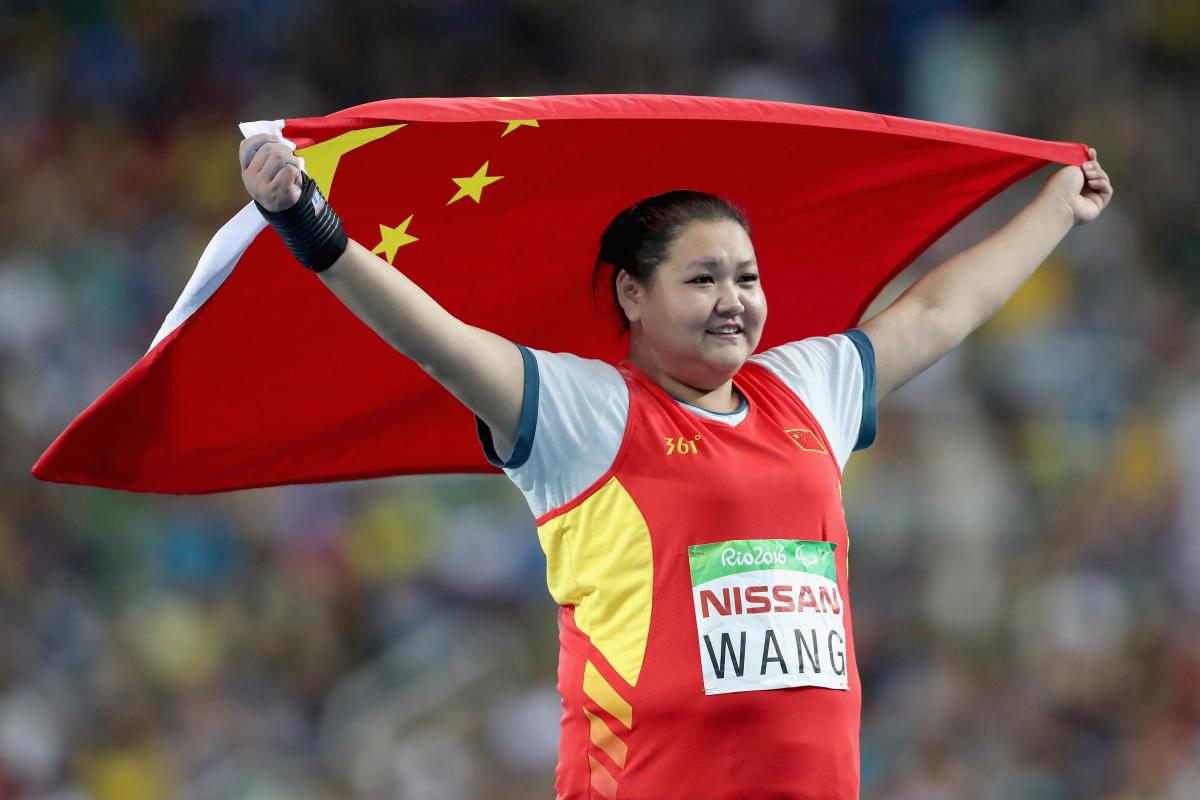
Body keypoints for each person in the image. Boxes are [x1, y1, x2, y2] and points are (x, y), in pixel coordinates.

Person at [238, 132, 1112, 799]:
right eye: (702, 280)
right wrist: (314, 230)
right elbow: (439, 342)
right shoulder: (587, 413)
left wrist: (1056, 207)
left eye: (748, 277)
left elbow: (938, 311)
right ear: (632, 294)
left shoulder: (806, 388)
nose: (734, 300)